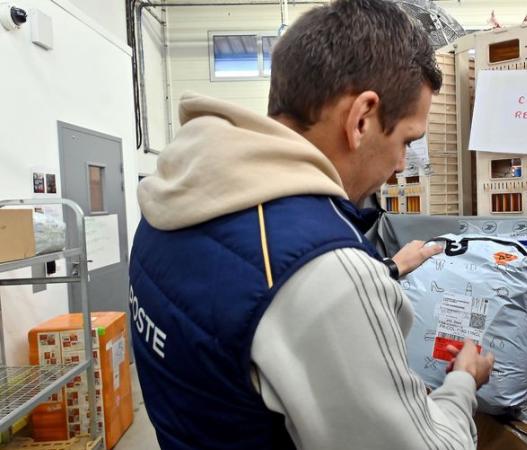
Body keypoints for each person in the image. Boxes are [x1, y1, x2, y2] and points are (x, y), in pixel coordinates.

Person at [129, 1, 494, 448]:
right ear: (361, 118)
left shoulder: (171, 203)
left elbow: (240, 304)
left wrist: (385, 271)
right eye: (406, 141)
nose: (401, 165)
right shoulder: (326, 272)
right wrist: (461, 384)